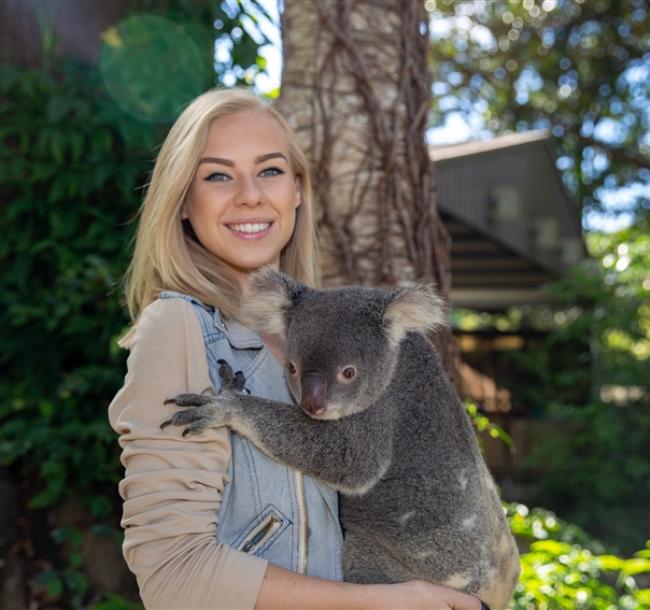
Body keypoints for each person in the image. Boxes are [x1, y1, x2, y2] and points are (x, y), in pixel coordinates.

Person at [109, 88, 484, 610]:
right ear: (182, 203)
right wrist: (391, 600)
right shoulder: (178, 327)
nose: (249, 195)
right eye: (217, 175)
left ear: (298, 191)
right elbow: (174, 576)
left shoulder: (320, 325)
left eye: (270, 171)